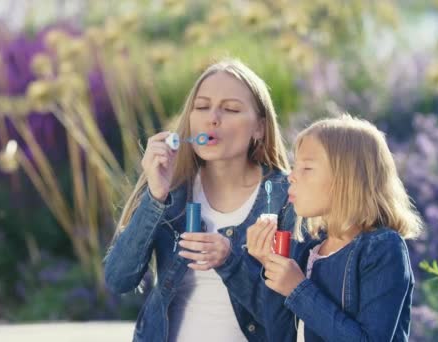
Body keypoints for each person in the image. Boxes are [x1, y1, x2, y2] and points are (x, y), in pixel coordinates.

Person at [103, 59, 297, 341]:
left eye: (230, 109)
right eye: (202, 107)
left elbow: (287, 317)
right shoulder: (172, 190)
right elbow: (119, 278)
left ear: (260, 128)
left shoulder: (285, 197)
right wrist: (156, 196)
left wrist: (230, 261)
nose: (212, 118)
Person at [247, 115, 423, 341]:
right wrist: (270, 267)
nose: (291, 176)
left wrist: (297, 289)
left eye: (307, 168)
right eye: (293, 166)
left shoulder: (381, 248)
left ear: (347, 179)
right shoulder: (307, 249)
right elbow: (279, 335)